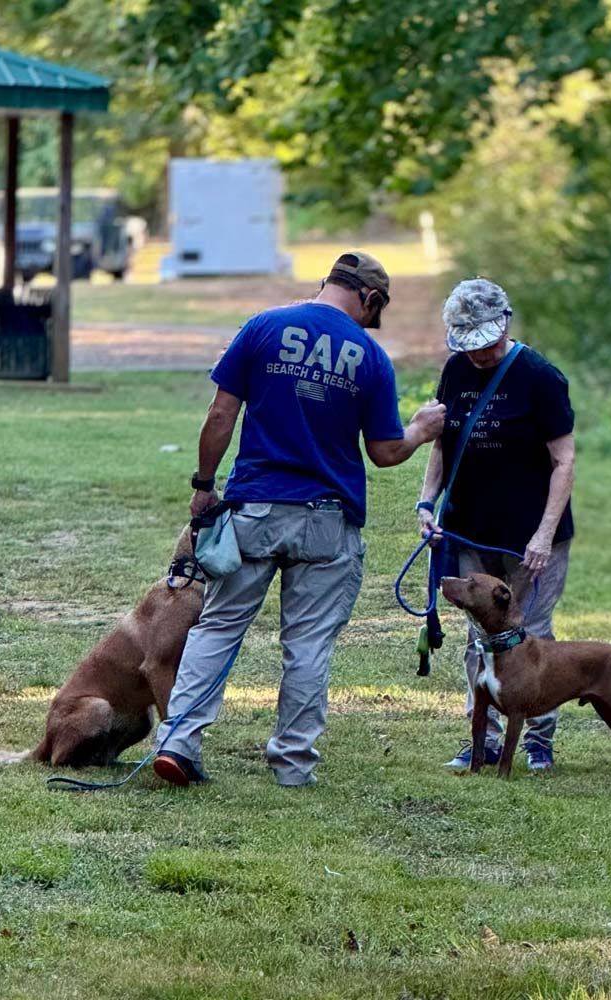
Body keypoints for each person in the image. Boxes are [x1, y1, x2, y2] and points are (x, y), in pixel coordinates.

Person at [153, 251, 446, 788]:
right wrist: (422, 429)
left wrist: (203, 485)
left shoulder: (263, 327)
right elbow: (384, 452)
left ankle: (178, 741)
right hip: (326, 521)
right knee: (307, 645)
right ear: (371, 298)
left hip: (254, 508)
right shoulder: (371, 357)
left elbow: (220, 414)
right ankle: (292, 764)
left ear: (326, 283)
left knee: (218, 627)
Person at [416, 278, 575, 772]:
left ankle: (537, 740)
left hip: (529, 534)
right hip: (469, 527)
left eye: (486, 342)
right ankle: (481, 738)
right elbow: (443, 445)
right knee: (477, 636)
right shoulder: (455, 370)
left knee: (532, 634)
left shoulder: (540, 376)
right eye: (470, 344)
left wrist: (545, 534)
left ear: (505, 323)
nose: (479, 354)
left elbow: (563, 461)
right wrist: (427, 503)